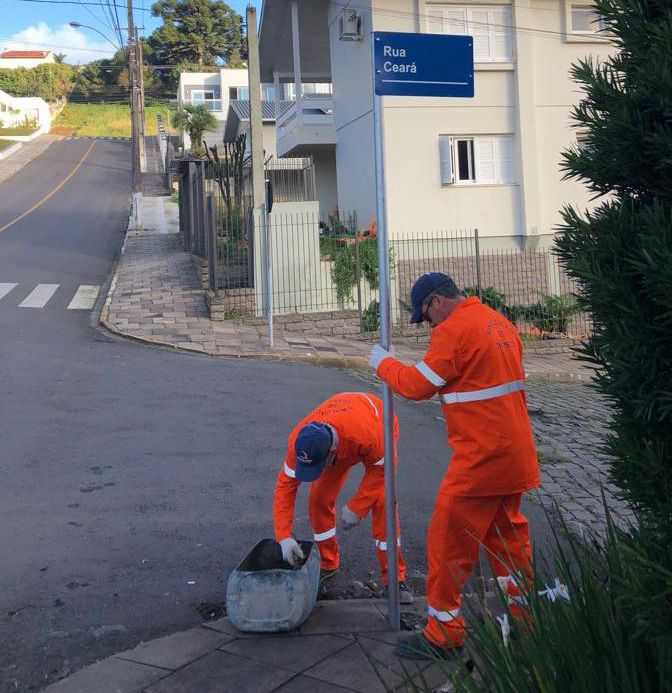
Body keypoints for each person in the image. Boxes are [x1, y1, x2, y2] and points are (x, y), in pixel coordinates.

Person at [369, 273, 539, 659]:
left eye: (425, 316)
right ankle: (528, 622)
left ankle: (443, 634)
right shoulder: (499, 322)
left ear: (435, 302)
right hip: (515, 456)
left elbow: (417, 385)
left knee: (446, 543)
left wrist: (384, 364)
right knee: (509, 543)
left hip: (482, 459)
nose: (427, 324)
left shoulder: (454, 329)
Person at [273, 392, 413, 603]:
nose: (314, 474)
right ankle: (328, 563)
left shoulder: (369, 436)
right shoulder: (300, 442)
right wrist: (283, 536)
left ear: (330, 454)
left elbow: (384, 469)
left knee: (383, 501)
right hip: (342, 428)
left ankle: (394, 578)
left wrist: (358, 507)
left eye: (317, 467)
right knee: (318, 498)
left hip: (377, 422)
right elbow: (285, 486)